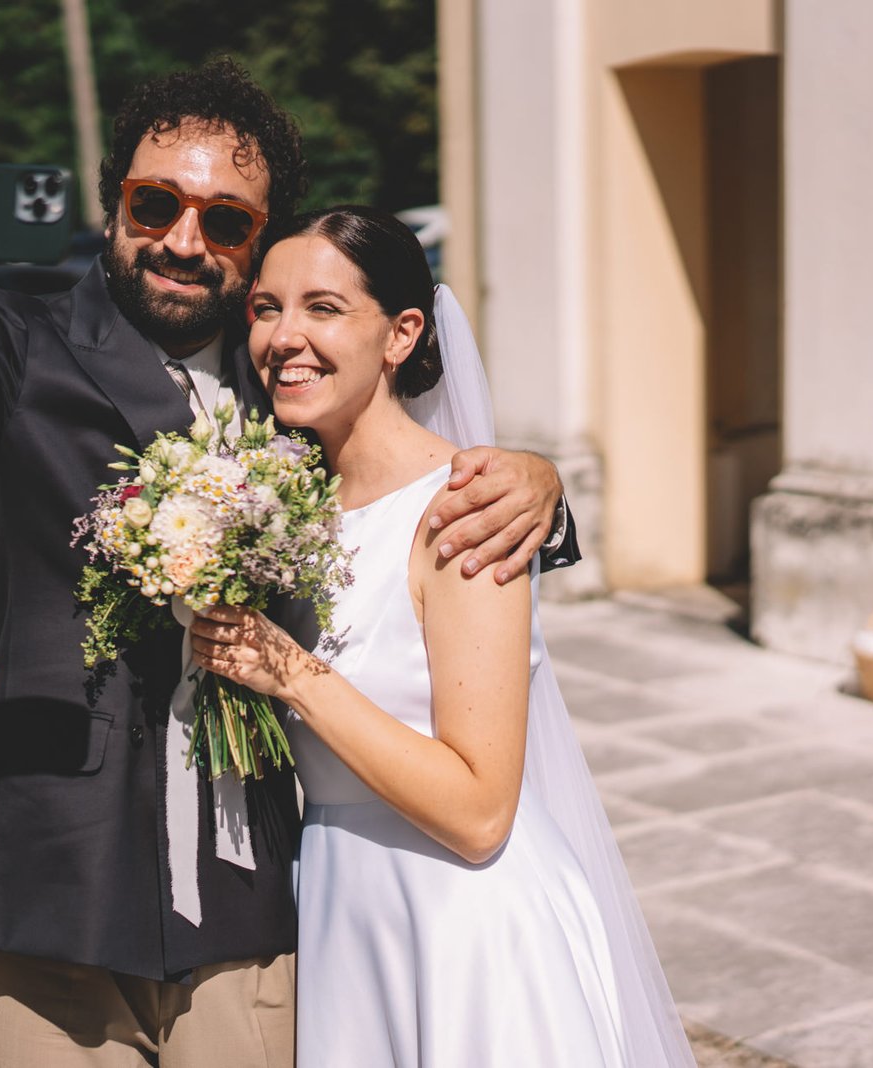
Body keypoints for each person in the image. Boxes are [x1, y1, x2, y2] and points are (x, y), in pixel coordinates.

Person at [0, 59, 577, 1067]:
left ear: (258, 240)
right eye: (155, 204)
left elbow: (397, 489)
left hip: (247, 894)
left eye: (225, 221)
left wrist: (535, 481)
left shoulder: (291, 376)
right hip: (46, 887)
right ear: (115, 206)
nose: (185, 240)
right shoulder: (14, 344)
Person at [180, 206, 696, 1066]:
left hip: (462, 924)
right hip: (342, 905)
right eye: (266, 308)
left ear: (402, 334)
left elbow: (480, 811)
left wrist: (291, 672)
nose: (284, 336)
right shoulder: (280, 511)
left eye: (323, 308)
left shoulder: (467, 512)